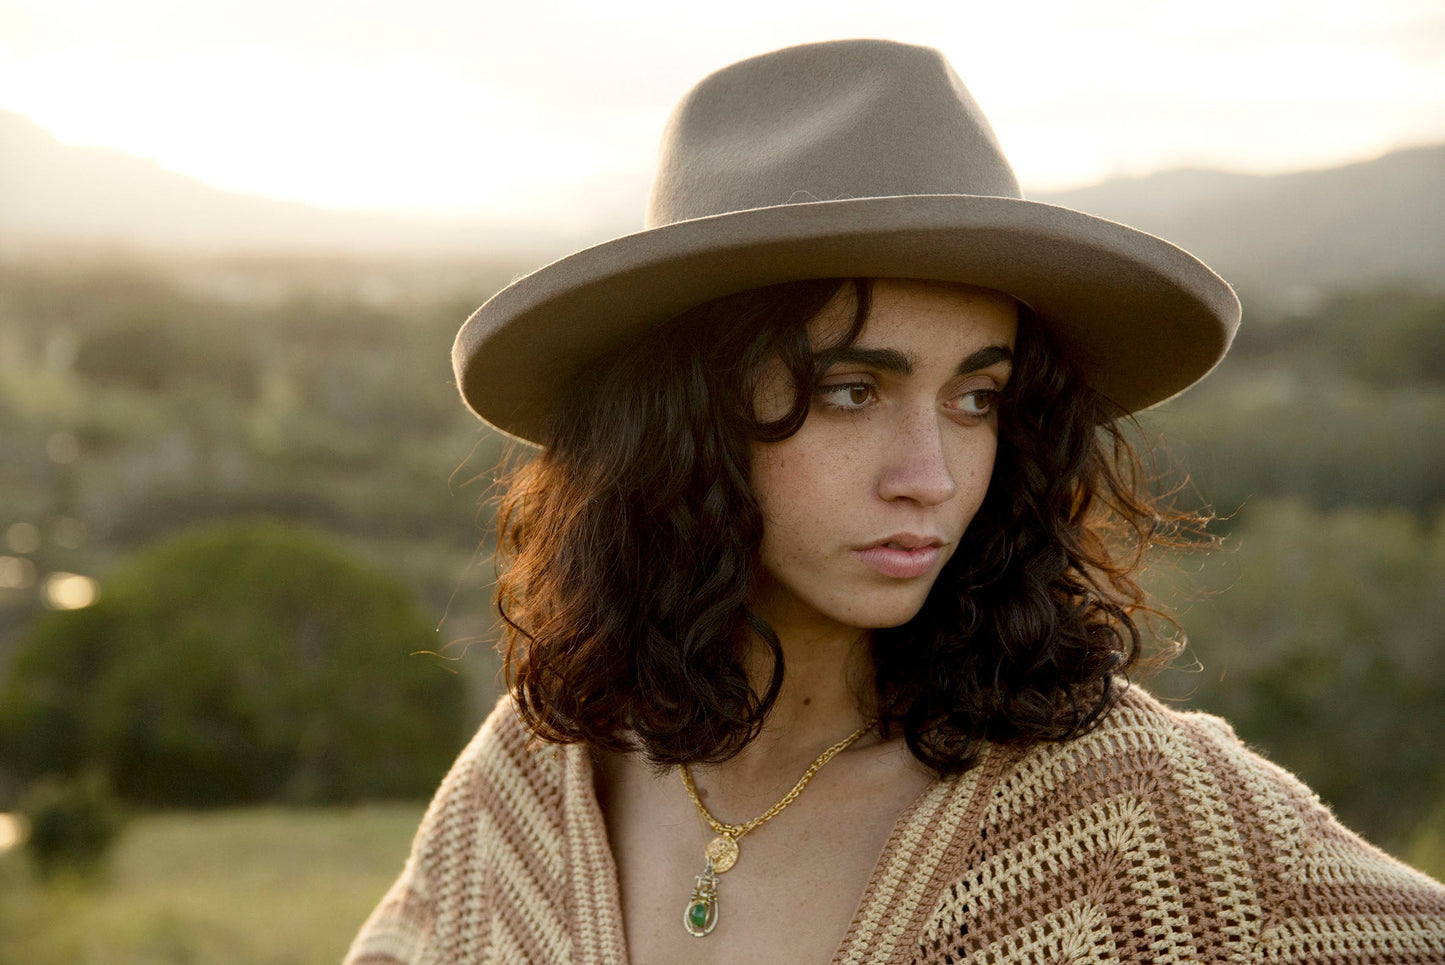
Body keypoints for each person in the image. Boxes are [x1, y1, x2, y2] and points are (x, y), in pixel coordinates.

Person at [345, 39, 1445, 965]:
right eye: (852, 389)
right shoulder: (541, 779)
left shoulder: (1139, 817)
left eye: (975, 397)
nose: (928, 471)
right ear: (680, 418)